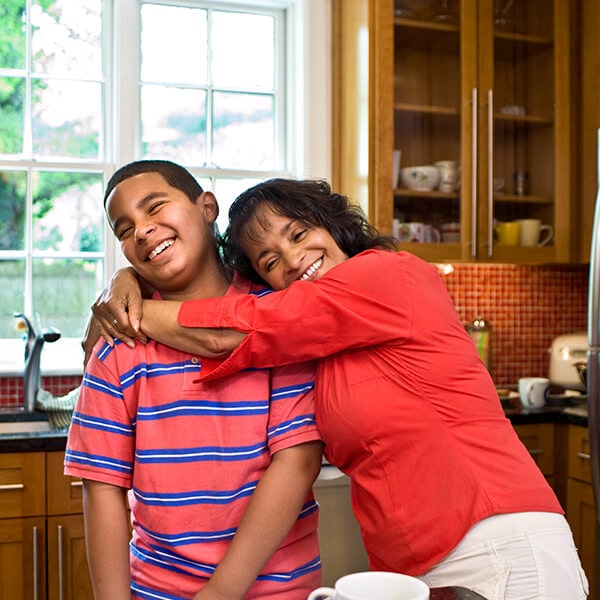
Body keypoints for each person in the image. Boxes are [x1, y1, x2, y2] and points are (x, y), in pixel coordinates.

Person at [89, 178, 589, 600]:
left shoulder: (391, 275)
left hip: (495, 539)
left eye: (300, 232)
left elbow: (233, 331)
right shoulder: (315, 342)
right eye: (267, 260)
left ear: (332, 225)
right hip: (410, 569)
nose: (292, 257)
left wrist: (121, 312)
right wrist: (124, 279)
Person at [66, 163, 324, 600]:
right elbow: (103, 487)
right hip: (156, 591)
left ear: (208, 207)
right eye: (125, 229)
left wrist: (220, 593)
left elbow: (297, 461)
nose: (143, 231)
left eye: (155, 208)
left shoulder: (279, 318)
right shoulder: (118, 348)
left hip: (281, 590)